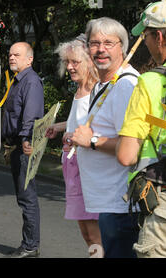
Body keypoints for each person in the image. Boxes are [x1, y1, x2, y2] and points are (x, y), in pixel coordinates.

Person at [70, 17, 140, 258]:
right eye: (95, 43)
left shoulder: (124, 86)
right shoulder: (104, 83)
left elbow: (131, 148)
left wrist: (90, 141)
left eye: (109, 43)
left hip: (119, 202)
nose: (101, 49)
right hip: (106, 200)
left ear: (123, 46)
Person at [117, 0, 166, 258]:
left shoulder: (150, 81)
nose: (146, 42)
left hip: (165, 207)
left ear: (159, 36)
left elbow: (126, 155)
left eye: (146, 35)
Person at [46, 35, 102, 257]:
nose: (69, 66)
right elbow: (77, 120)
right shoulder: (79, 89)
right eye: (66, 62)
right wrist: (59, 128)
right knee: (84, 231)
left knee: (94, 231)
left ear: (89, 61)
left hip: (87, 166)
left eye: (74, 62)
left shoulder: (98, 91)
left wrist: (75, 136)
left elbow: (102, 130)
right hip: (71, 165)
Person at [1, 42, 44, 258]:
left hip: (24, 146)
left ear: (29, 59)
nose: (11, 57)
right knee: (23, 197)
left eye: (17, 54)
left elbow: (32, 114)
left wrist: (27, 138)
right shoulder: (18, 81)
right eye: (10, 54)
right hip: (16, 145)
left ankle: (30, 246)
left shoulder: (31, 81)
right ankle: (28, 244)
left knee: (27, 197)